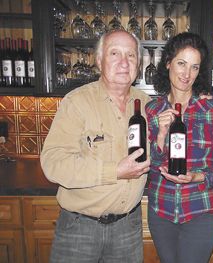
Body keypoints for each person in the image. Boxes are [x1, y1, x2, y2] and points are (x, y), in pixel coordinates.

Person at [40, 30, 151, 263]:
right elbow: (53, 163)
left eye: (131, 55)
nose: (123, 63)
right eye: (114, 54)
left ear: (138, 64)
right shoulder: (77, 102)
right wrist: (114, 172)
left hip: (128, 228)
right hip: (80, 230)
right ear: (99, 61)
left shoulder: (148, 105)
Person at [145, 32, 213, 263]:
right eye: (181, 63)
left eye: (194, 67)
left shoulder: (212, 109)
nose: (186, 74)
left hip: (199, 212)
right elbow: (151, 166)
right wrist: (161, 134)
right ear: (168, 63)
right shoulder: (152, 110)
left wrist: (198, 177)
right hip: (161, 211)